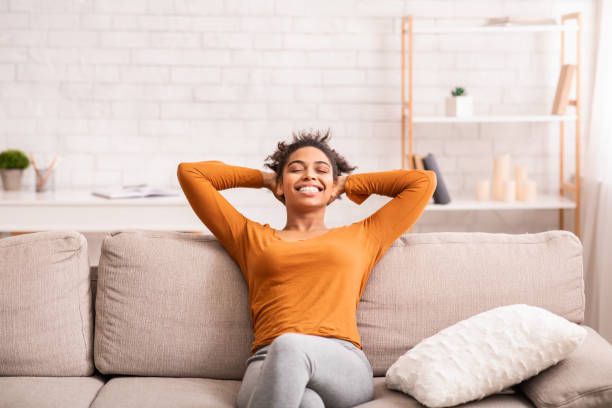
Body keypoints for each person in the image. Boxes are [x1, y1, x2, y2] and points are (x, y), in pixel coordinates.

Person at [176, 129, 437, 408]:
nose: (310, 175)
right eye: (296, 169)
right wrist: (265, 179)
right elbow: (191, 174)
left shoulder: (363, 236)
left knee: (290, 346)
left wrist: (346, 183)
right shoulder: (249, 238)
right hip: (267, 361)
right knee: (307, 403)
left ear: (333, 185)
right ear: (281, 184)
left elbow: (422, 181)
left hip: (341, 360)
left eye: (321, 170)